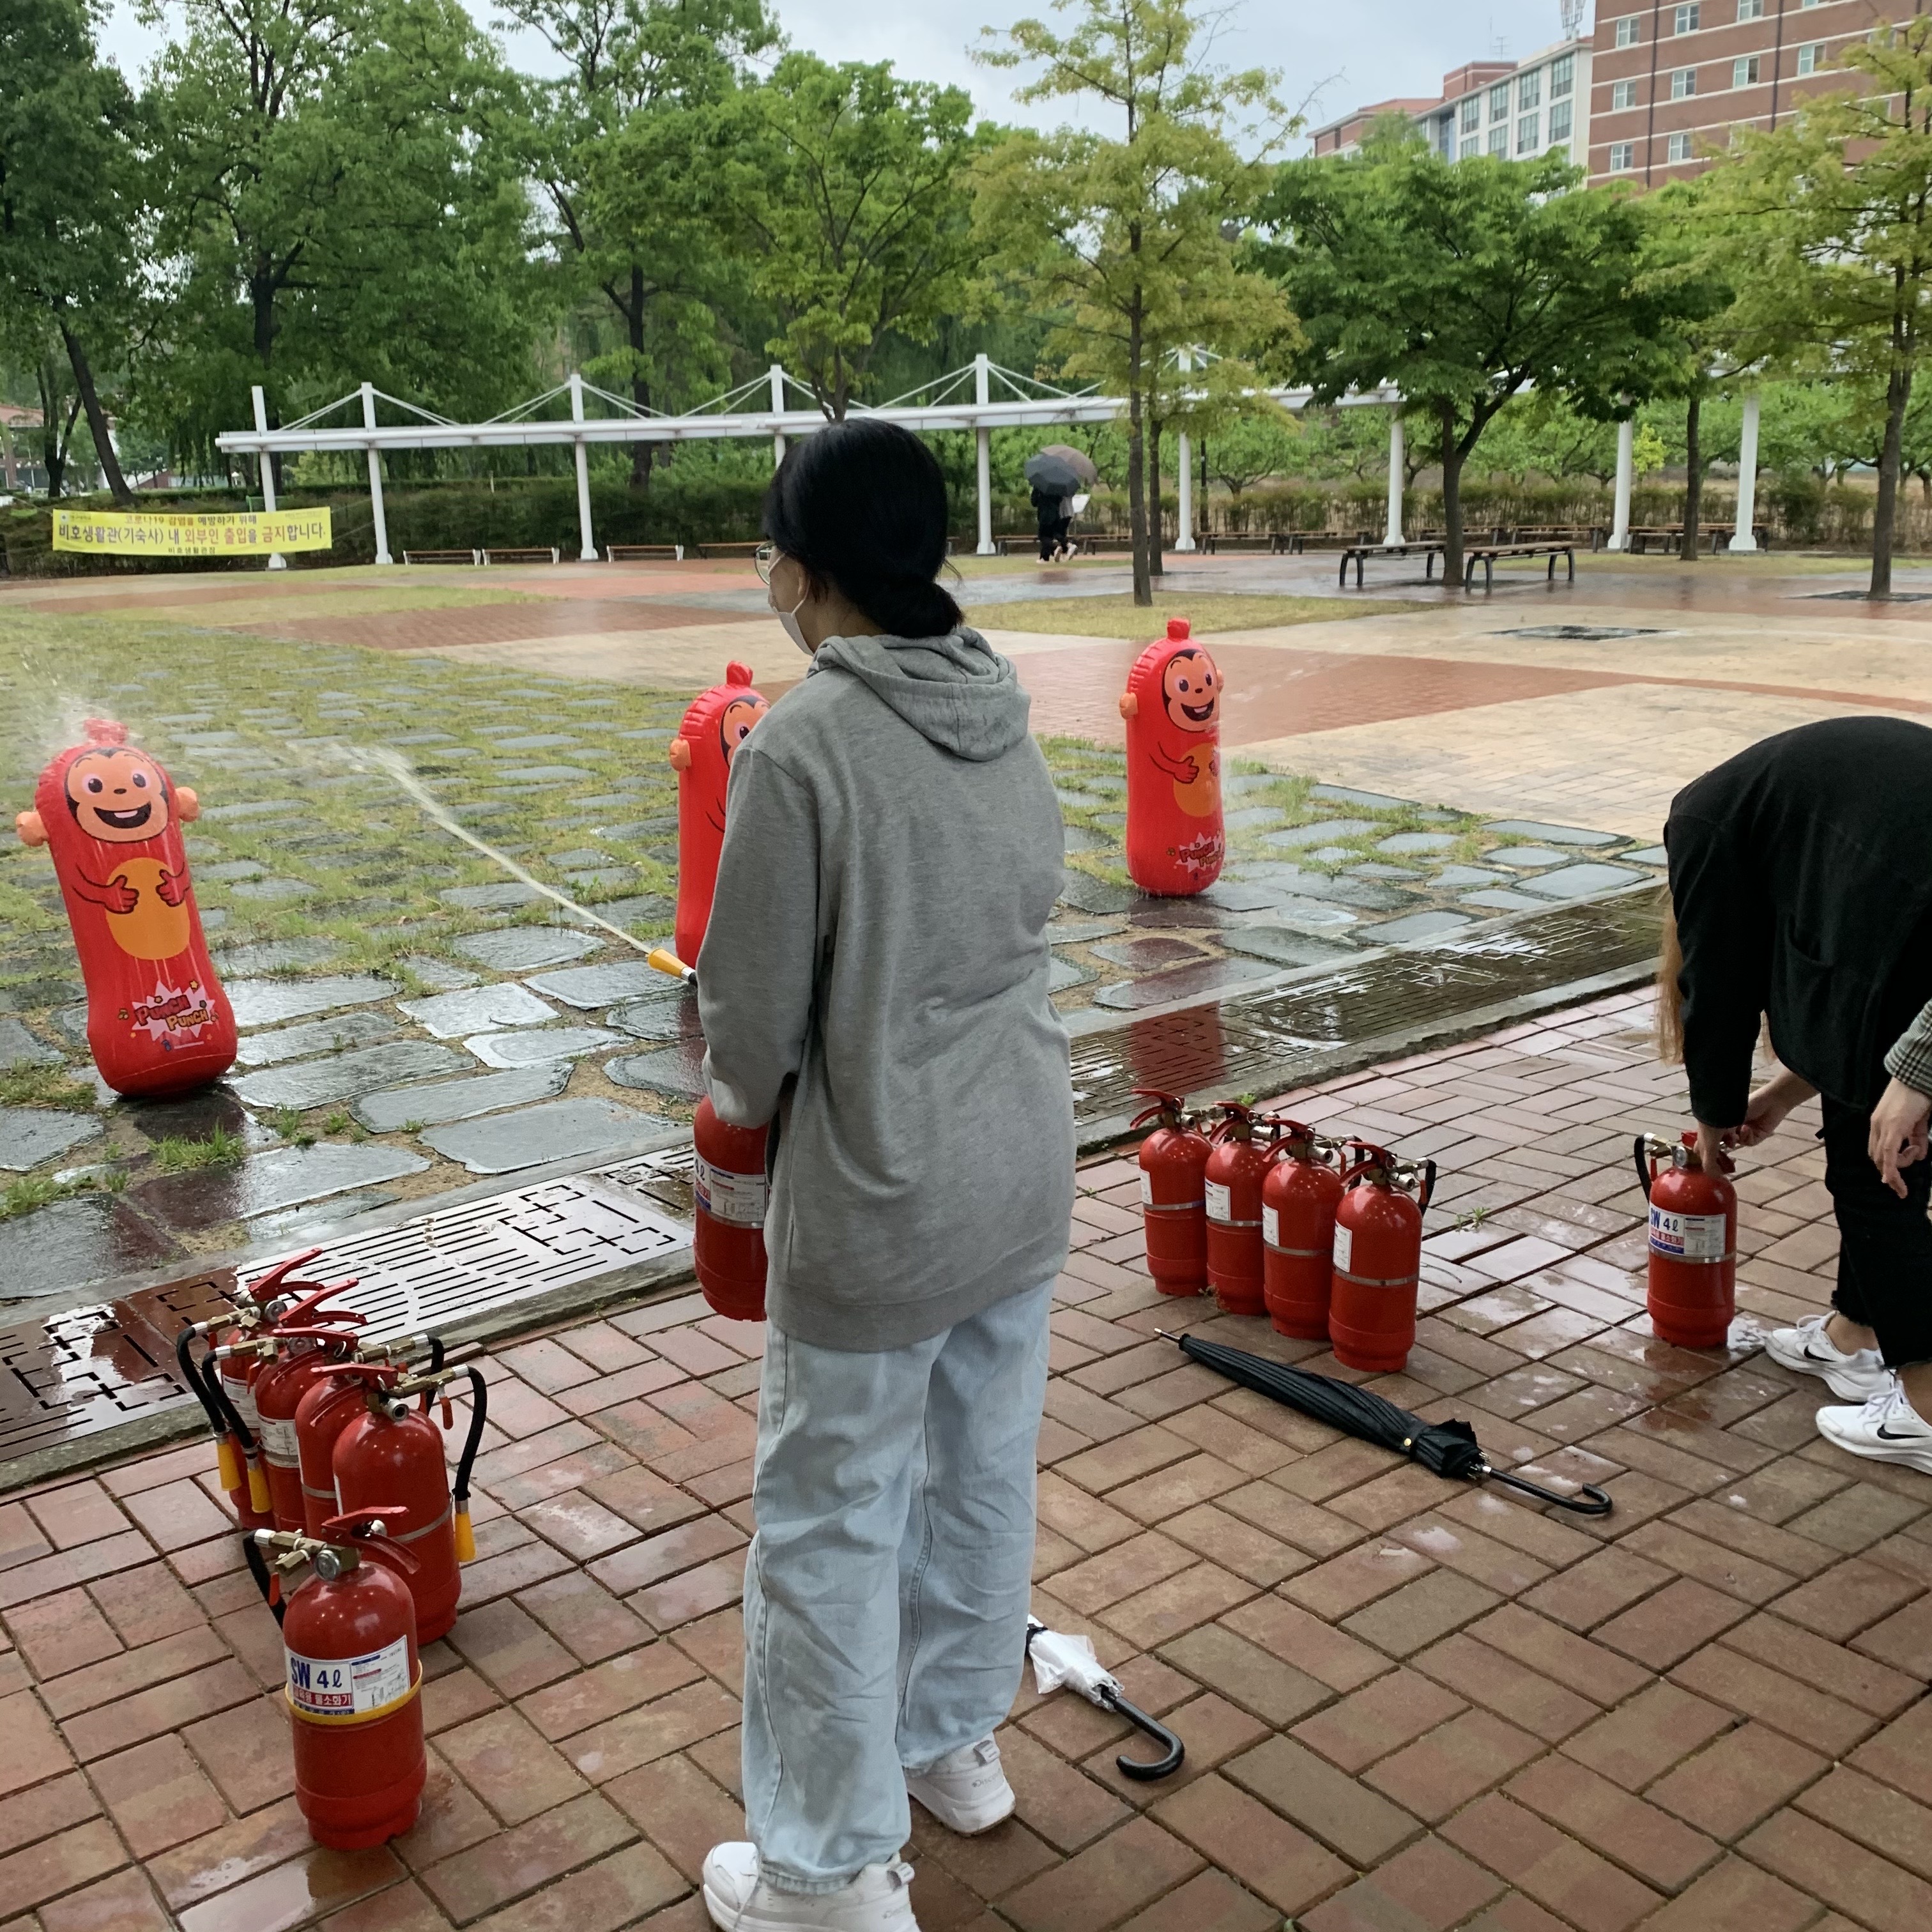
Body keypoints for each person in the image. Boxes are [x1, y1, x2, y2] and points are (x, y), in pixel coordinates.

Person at [694, 419, 1076, 1932]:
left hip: (881, 1193)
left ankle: (826, 1872)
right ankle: (950, 1743)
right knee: (980, 1470)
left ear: (806, 569)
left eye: (772, 554)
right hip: (1019, 1166)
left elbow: (750, 1025)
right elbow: (1023, 904)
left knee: (830, 1523)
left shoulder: (804, 746)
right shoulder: (999, 703)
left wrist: (738, 1098)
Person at [1662, 716, 1932, 1475]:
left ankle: (1926, 1406)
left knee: (1877, 1169)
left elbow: (1718, 984)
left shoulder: (1706, 822)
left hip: (1914, 911)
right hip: (1902, 906)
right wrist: (1782, 1094)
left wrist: (1713, 1114)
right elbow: (1840, 992)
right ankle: (1855, 1336)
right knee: (1873, 1129)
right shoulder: (1768, 807)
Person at [1031, 482, 1070, 562]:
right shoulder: (1057, 485)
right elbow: (1060, 499)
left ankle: (1050, 553)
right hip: (1056, 514)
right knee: (1051, 535)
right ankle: (1050, 553)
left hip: (1044, 514)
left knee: (1043, 536)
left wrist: (1041, 500)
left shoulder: (1039, 484)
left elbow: (1034, 502)